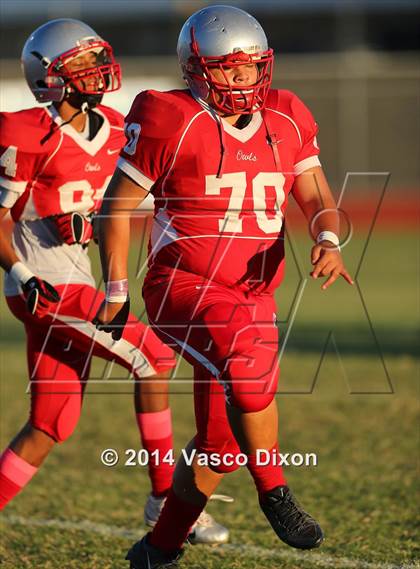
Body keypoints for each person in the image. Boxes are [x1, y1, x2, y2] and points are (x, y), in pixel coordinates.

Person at [94, 5, 353, 568]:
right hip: (182, 284)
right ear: (195, 68)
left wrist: (329, 241)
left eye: (250, 68)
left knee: (220, 447)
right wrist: (116, 290)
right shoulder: (170, 115)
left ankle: (157, 550)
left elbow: (317, 196)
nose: (241, 80)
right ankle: (276, 492)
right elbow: (115, 208)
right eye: (227, 69)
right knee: (245, 358)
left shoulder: (286, 116)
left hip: (252, 293)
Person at [0, 18, 229, 545]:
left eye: (95, 57)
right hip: (42, 285)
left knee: (48, 427)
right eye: (79, 63)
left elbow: (122, 207)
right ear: (48, 76)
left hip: (78, 283)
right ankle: (165, 500)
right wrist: (21, 270)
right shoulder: (25, 132)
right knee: (155, 357)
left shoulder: (117, 127)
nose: (95, 70)